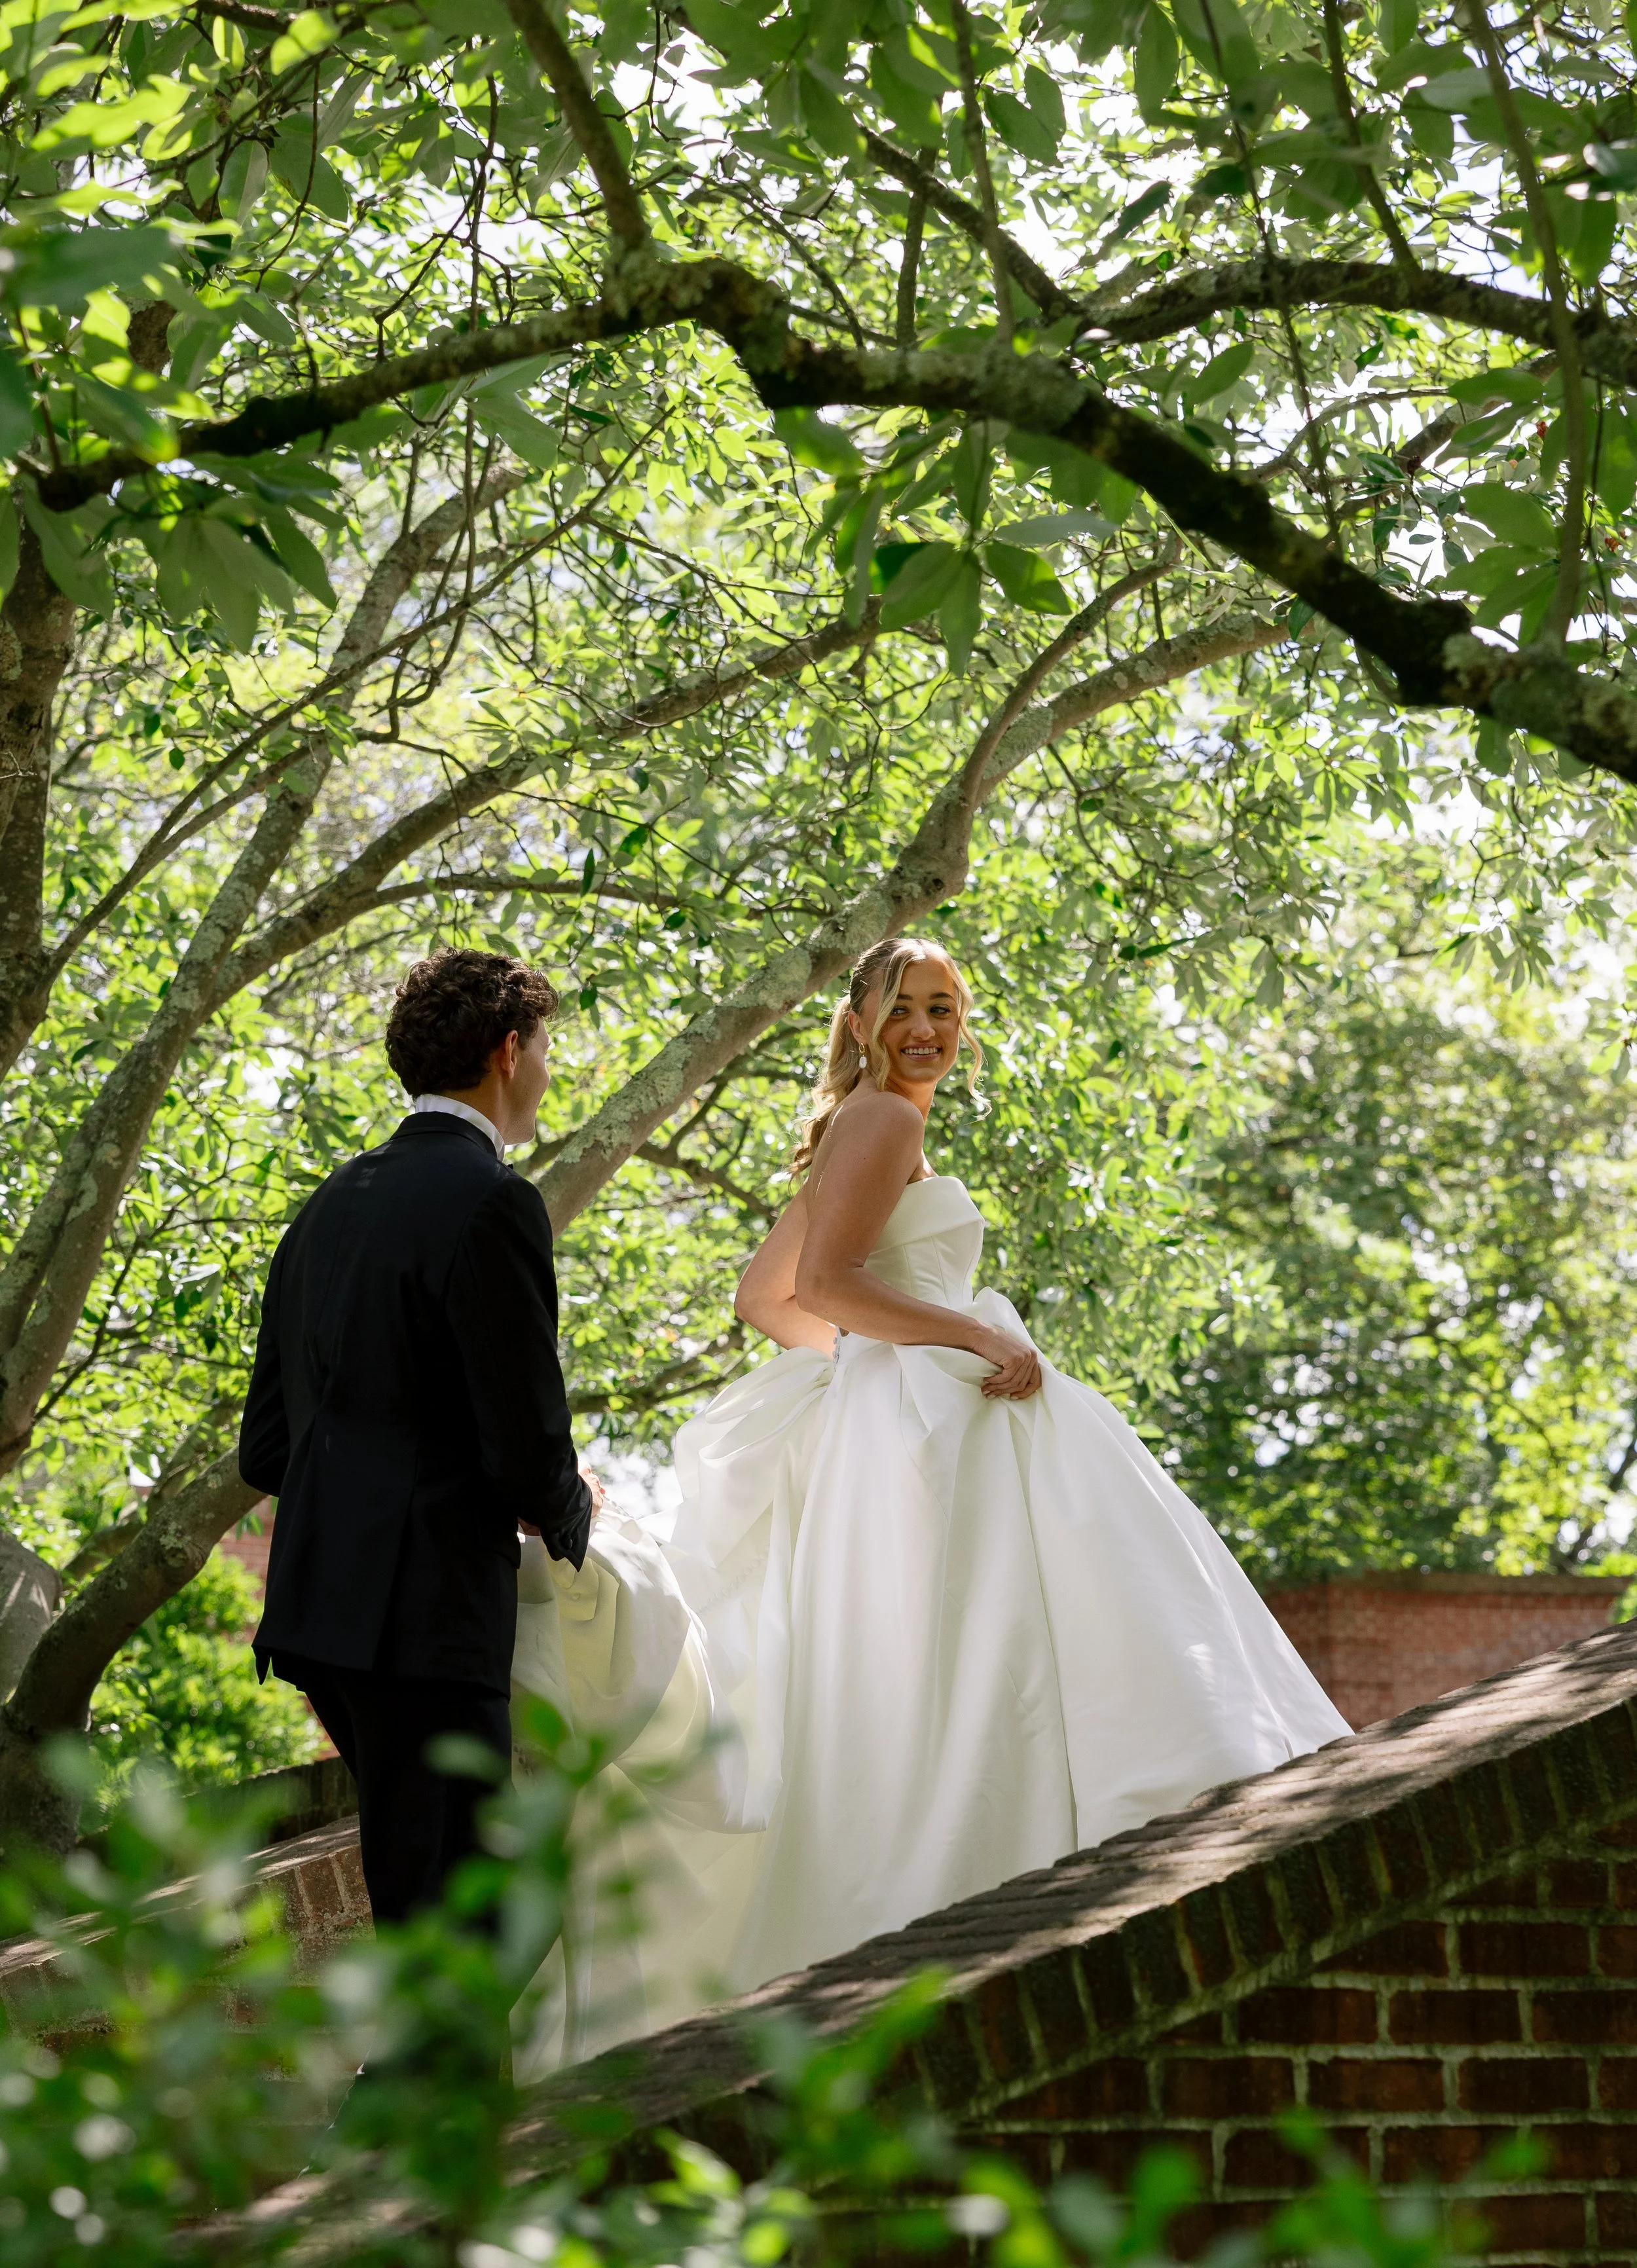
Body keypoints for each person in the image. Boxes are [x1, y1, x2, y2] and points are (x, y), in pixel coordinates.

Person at [524, 938, 1348, 2052]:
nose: (928, 1028)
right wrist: (958, 1335)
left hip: (892, 1416)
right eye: (905, 1007)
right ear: (859, 1021)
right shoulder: (887, 1121)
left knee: (920, 1658)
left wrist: (875, 1362)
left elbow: (764, 1299)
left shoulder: (857, 1123)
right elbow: (821, 1289)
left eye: (947, 1009)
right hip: (925, 1418)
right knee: (986, 1641)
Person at [239, 948, 597, 1928]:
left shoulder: (324, 1209)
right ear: (507, 1049)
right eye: (546, 1048)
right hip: (425, 1621)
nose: (548, 1071)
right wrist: (574, 1510)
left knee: (436, 1911)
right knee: (458, 1933)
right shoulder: (493, 1201)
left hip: (323, 1619)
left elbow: (264, 1449)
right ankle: (406, 2089)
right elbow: (526, 1446)